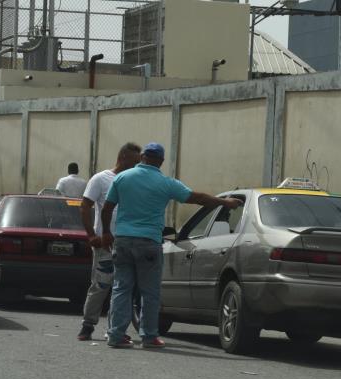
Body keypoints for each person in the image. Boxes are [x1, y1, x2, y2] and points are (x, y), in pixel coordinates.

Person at [99, 142, 241, 349]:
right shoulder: (166, 183)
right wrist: (226, 203)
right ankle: (148, 337)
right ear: (161, 161)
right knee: (150, 292)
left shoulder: (122, 178)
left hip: (123, 240)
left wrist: (105, 232)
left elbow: (107, 207)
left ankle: (116, 335)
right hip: (149, 242)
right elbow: (197, 198)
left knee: (122, 288)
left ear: (142, 157)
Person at [76, 142, 142, 341]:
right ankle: (87, 326)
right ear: (122, 158)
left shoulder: (132, 181)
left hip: (126, 243)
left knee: (122, 288)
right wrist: (91, 236)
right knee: (100, 285)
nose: (136, 166)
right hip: (105, 244)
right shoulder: (101, 179)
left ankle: (115, 330)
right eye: (134, 161)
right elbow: (85, 206)